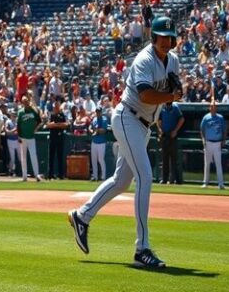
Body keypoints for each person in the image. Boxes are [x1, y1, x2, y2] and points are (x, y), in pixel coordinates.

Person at [69, 16, 182, 270]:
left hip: (144, 125)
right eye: (162, 36)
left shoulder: (172, 60)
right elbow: (146, 94)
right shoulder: (143, 59)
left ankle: (82, 216)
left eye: (169, 37)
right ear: (154, 37)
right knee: (146, 177)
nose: (166, 41)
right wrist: (170, 95)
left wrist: (176, 90)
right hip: (127, 117)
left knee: (121, 182)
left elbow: (172, 89)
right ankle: (142, 249)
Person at [156, 100, 185, 184]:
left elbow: (182, 119)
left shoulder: (175, 108)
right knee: (164, 158)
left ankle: (174, 179)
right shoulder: (162, 108)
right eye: (167, 104)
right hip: (165, 135)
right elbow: (158, 120)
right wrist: (160, 130)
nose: (168, 105)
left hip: (173, 135)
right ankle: (164, 179)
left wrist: (175, 130)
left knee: (174, 158)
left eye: (169, 104)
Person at [199, 100, 226, 188]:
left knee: (218, 163)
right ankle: (205, 182)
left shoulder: (220, 118)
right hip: (208, 142)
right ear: (209, 108)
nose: (213, 108)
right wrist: (203, 140)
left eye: (214, 106)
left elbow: (224, 130)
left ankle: (221, 183)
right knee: (207, 164)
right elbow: (202, 130)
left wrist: (223, 140)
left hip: (217, 143)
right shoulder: (206, 118)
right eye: (211, 106)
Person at [17, 94, 42, 181]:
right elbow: (18, 125)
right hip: (23, 137)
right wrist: (19, 136)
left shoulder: (33, 111)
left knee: (33, 155)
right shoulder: (20, 112)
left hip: (31, 137)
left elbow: (39, 121)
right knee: (23, 157)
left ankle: (36, 175)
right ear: (22, 103)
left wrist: (35, 129)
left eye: (27, 101)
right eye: (24, 102)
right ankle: (24, 176)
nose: (26, 103)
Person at [46, 99, 69, 179]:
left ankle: (61, 175)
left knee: (60, 156)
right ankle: (50, 175)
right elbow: (48, 125)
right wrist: (58, 125)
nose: (56, 107)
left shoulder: (62, 114)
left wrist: (55, 124)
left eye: (57, 106)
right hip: (53, 137)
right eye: (55, 106)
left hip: (60, 137)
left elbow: (66, 124)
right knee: (51, 157)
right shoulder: (51, 115)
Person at [89, 106, 109, 181]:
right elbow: (90, 127)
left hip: (101, 142)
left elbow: (103, 130)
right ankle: (95, 176)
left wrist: (96, 131)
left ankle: (103, 176)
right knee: (93, 160)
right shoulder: (94, 119)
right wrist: (91, 131)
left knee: (100, 159)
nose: (98, 113)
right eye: (97, 111)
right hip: (94, 141)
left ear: (101, 112)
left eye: (99, 111)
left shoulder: (104, 119)